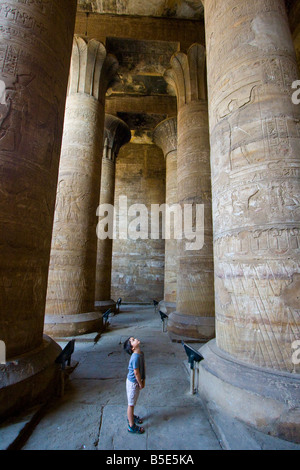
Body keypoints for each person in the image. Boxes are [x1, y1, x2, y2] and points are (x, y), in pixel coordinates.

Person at [123, 336, 146, 434]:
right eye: (132, 340)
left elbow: (143, 368)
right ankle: (131, 426)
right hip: (133, 383)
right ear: (132, 348)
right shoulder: (135, 357)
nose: (135, 339)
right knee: (131, 404)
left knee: (133, 401)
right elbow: (136, 372)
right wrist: (140, 383)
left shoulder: (140, 353)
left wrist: (143, 379)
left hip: (136, 381)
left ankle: (131, 416)